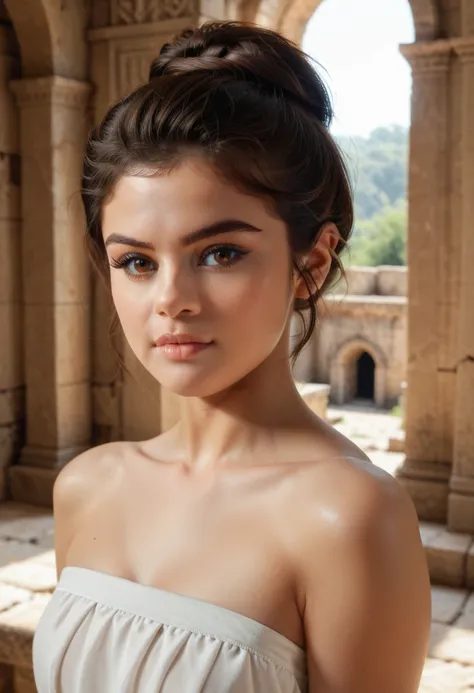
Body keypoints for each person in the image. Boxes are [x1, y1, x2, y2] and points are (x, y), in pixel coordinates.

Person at [32, 20, 431, 693]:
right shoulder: (86, 487)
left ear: (311, 263)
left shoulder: (352, 518)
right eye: (135, 260)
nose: (171, 300)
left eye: (220, 253)